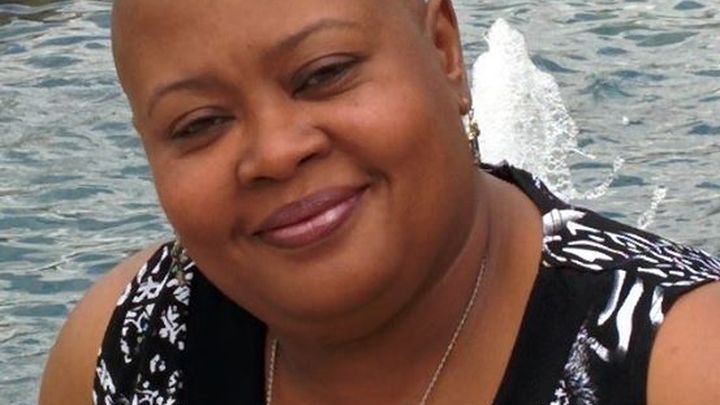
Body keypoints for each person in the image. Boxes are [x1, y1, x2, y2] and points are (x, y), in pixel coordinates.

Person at [39, 0, 720, 404]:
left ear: (443, 50)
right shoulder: (122, 350)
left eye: (325, 74)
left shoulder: (682, 365)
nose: (274, 152)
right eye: (200, 123)